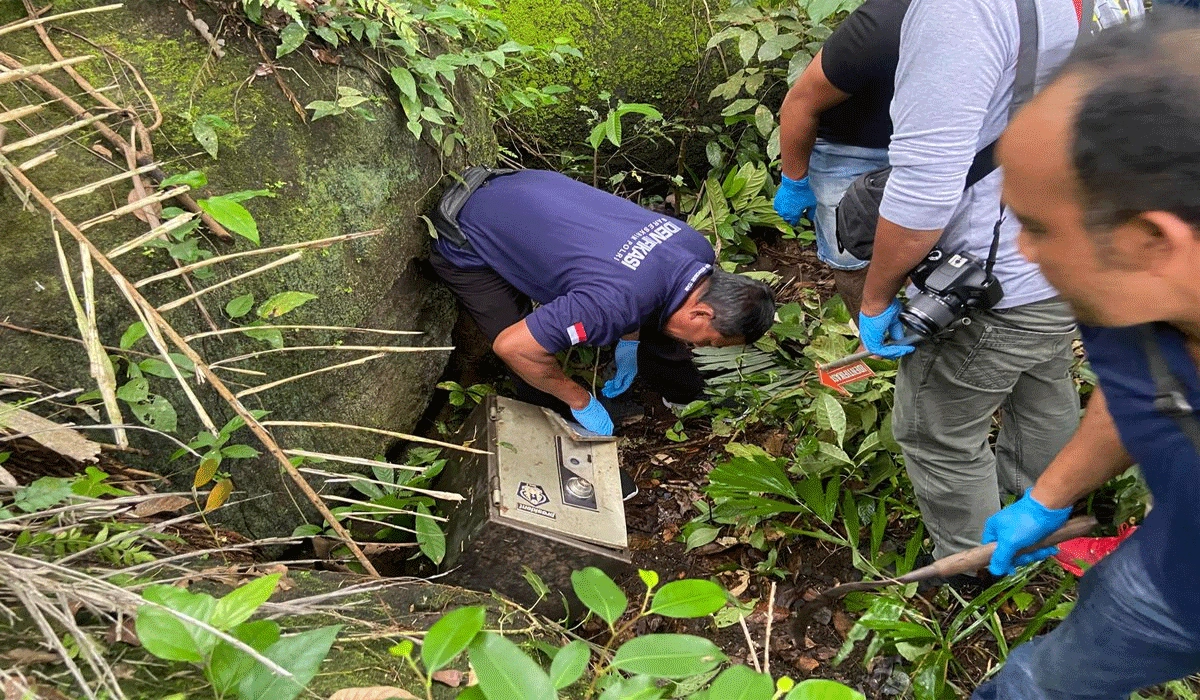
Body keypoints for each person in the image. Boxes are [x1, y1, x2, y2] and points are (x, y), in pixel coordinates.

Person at [972, 11, 1200, 698]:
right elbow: (1147, 388)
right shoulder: (1124, 298)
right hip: (1169, 577)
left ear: (1148, 240)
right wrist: (1047, 497)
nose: (1023, 252)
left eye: (1037, 228)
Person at [429, 169, 776, 442]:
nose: (698, 345)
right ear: (703, 312)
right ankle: (567, 427)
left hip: (520, 186)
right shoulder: (611, 305)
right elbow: (512, 347)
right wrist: (580, 399)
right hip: (465, 234)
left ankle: (681, 393)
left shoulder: (694, 247)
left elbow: (633, 276)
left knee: (664, 320)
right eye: (707, 341)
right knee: (524, 350)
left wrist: (629, 341)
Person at [773, 0, 911, 318]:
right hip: (847, 149)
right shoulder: (882, 25)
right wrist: (794, 181)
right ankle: (868, 329)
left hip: (933, 140)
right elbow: (800, 103)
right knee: (849, 256)